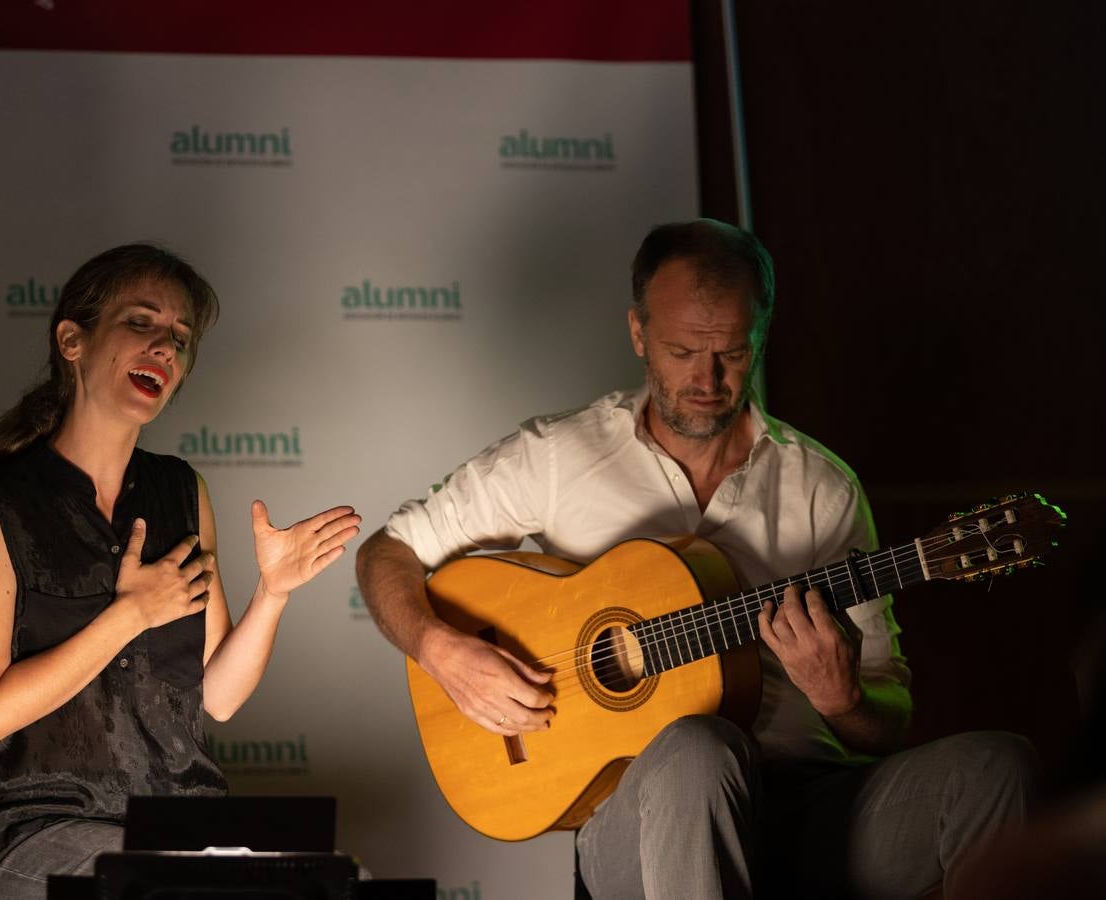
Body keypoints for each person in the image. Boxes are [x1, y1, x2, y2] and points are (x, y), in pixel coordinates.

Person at [355, 219, 1034, 899]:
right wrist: (439, 649)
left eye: (733, 353)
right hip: (648, 819)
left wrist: (843, 697)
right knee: (700, 748)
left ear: (761, 333)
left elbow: (886, 723)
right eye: (682, 351)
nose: (706, 380)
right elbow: (390, 551)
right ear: (638, 334)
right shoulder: (560, 456)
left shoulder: (821, 488)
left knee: (997, 766)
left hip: (807, 808)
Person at [0, 243, 360, 900]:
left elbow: (217, 695)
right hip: (39, 832)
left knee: (340, 883)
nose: (165, 347)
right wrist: (130, 614)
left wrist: (272, 595)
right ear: (73, 341)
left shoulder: (181, 490)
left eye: (180, 339)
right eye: (142, 322)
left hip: (182, 825)